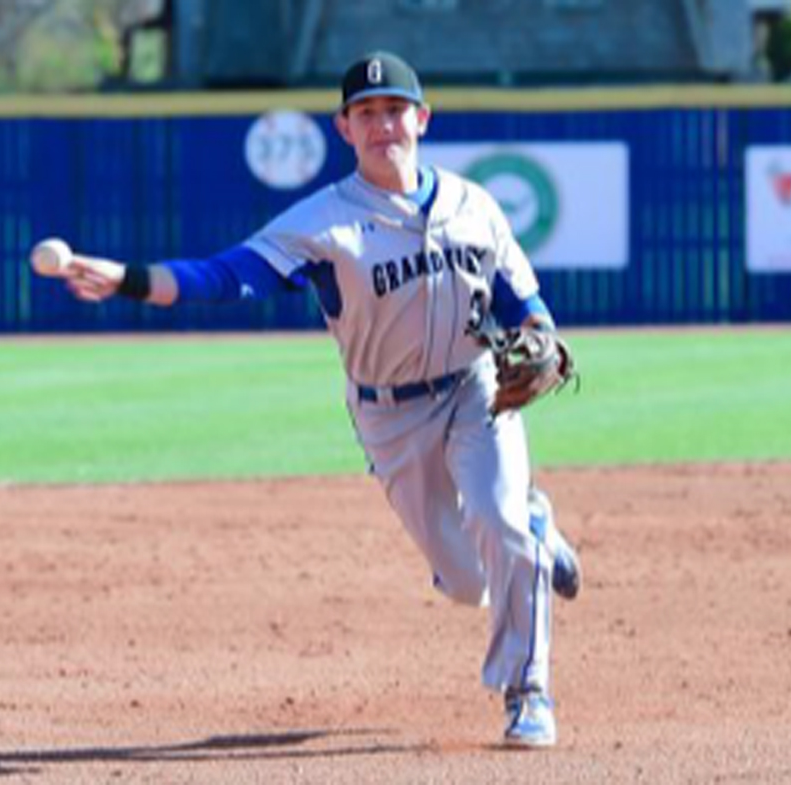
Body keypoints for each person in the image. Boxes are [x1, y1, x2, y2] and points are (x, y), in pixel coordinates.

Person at [53, 50, 582, 748]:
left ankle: (527, 691)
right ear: (344, 128)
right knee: (463, 582)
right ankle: (537, 528)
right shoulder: (321, 225)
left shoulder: (474, 207)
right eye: (366, 113)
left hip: (475, 390)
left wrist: (540, 332)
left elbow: (525, 301)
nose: (382, 125)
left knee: (499, 518)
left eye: (394, 110)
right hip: (390, 416)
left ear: (422, 119)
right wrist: (126, 279)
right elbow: (222, 276)